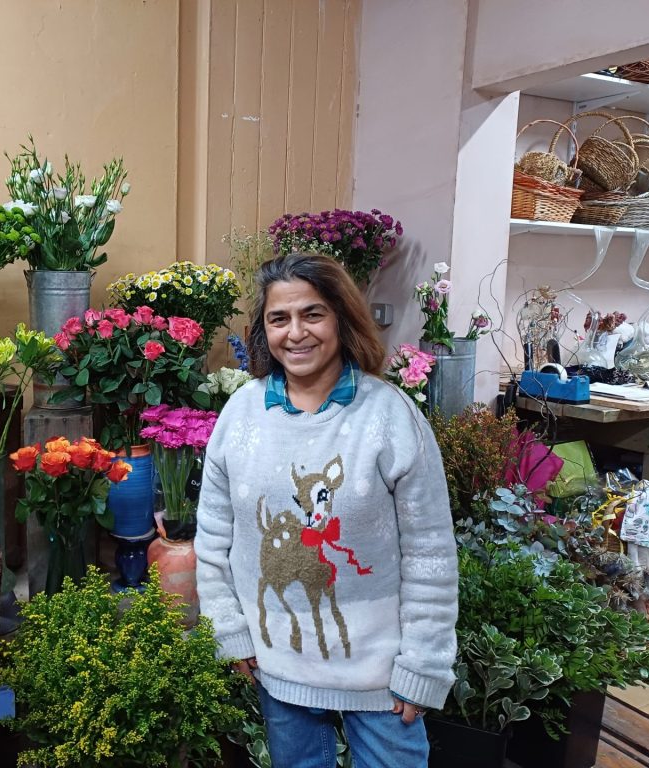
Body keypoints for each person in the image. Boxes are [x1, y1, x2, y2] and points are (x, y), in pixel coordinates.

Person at [195, 252, 458, 768]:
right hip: (280, 666)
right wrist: (229, 628)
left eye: (312, 314)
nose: (296, 333)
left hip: (380, 677)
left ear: (341, 317)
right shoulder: (240, 417)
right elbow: (213, 540)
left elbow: (431, 552)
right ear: (262, 330)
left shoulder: (389, 417)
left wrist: (424, 664)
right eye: (279, 318)